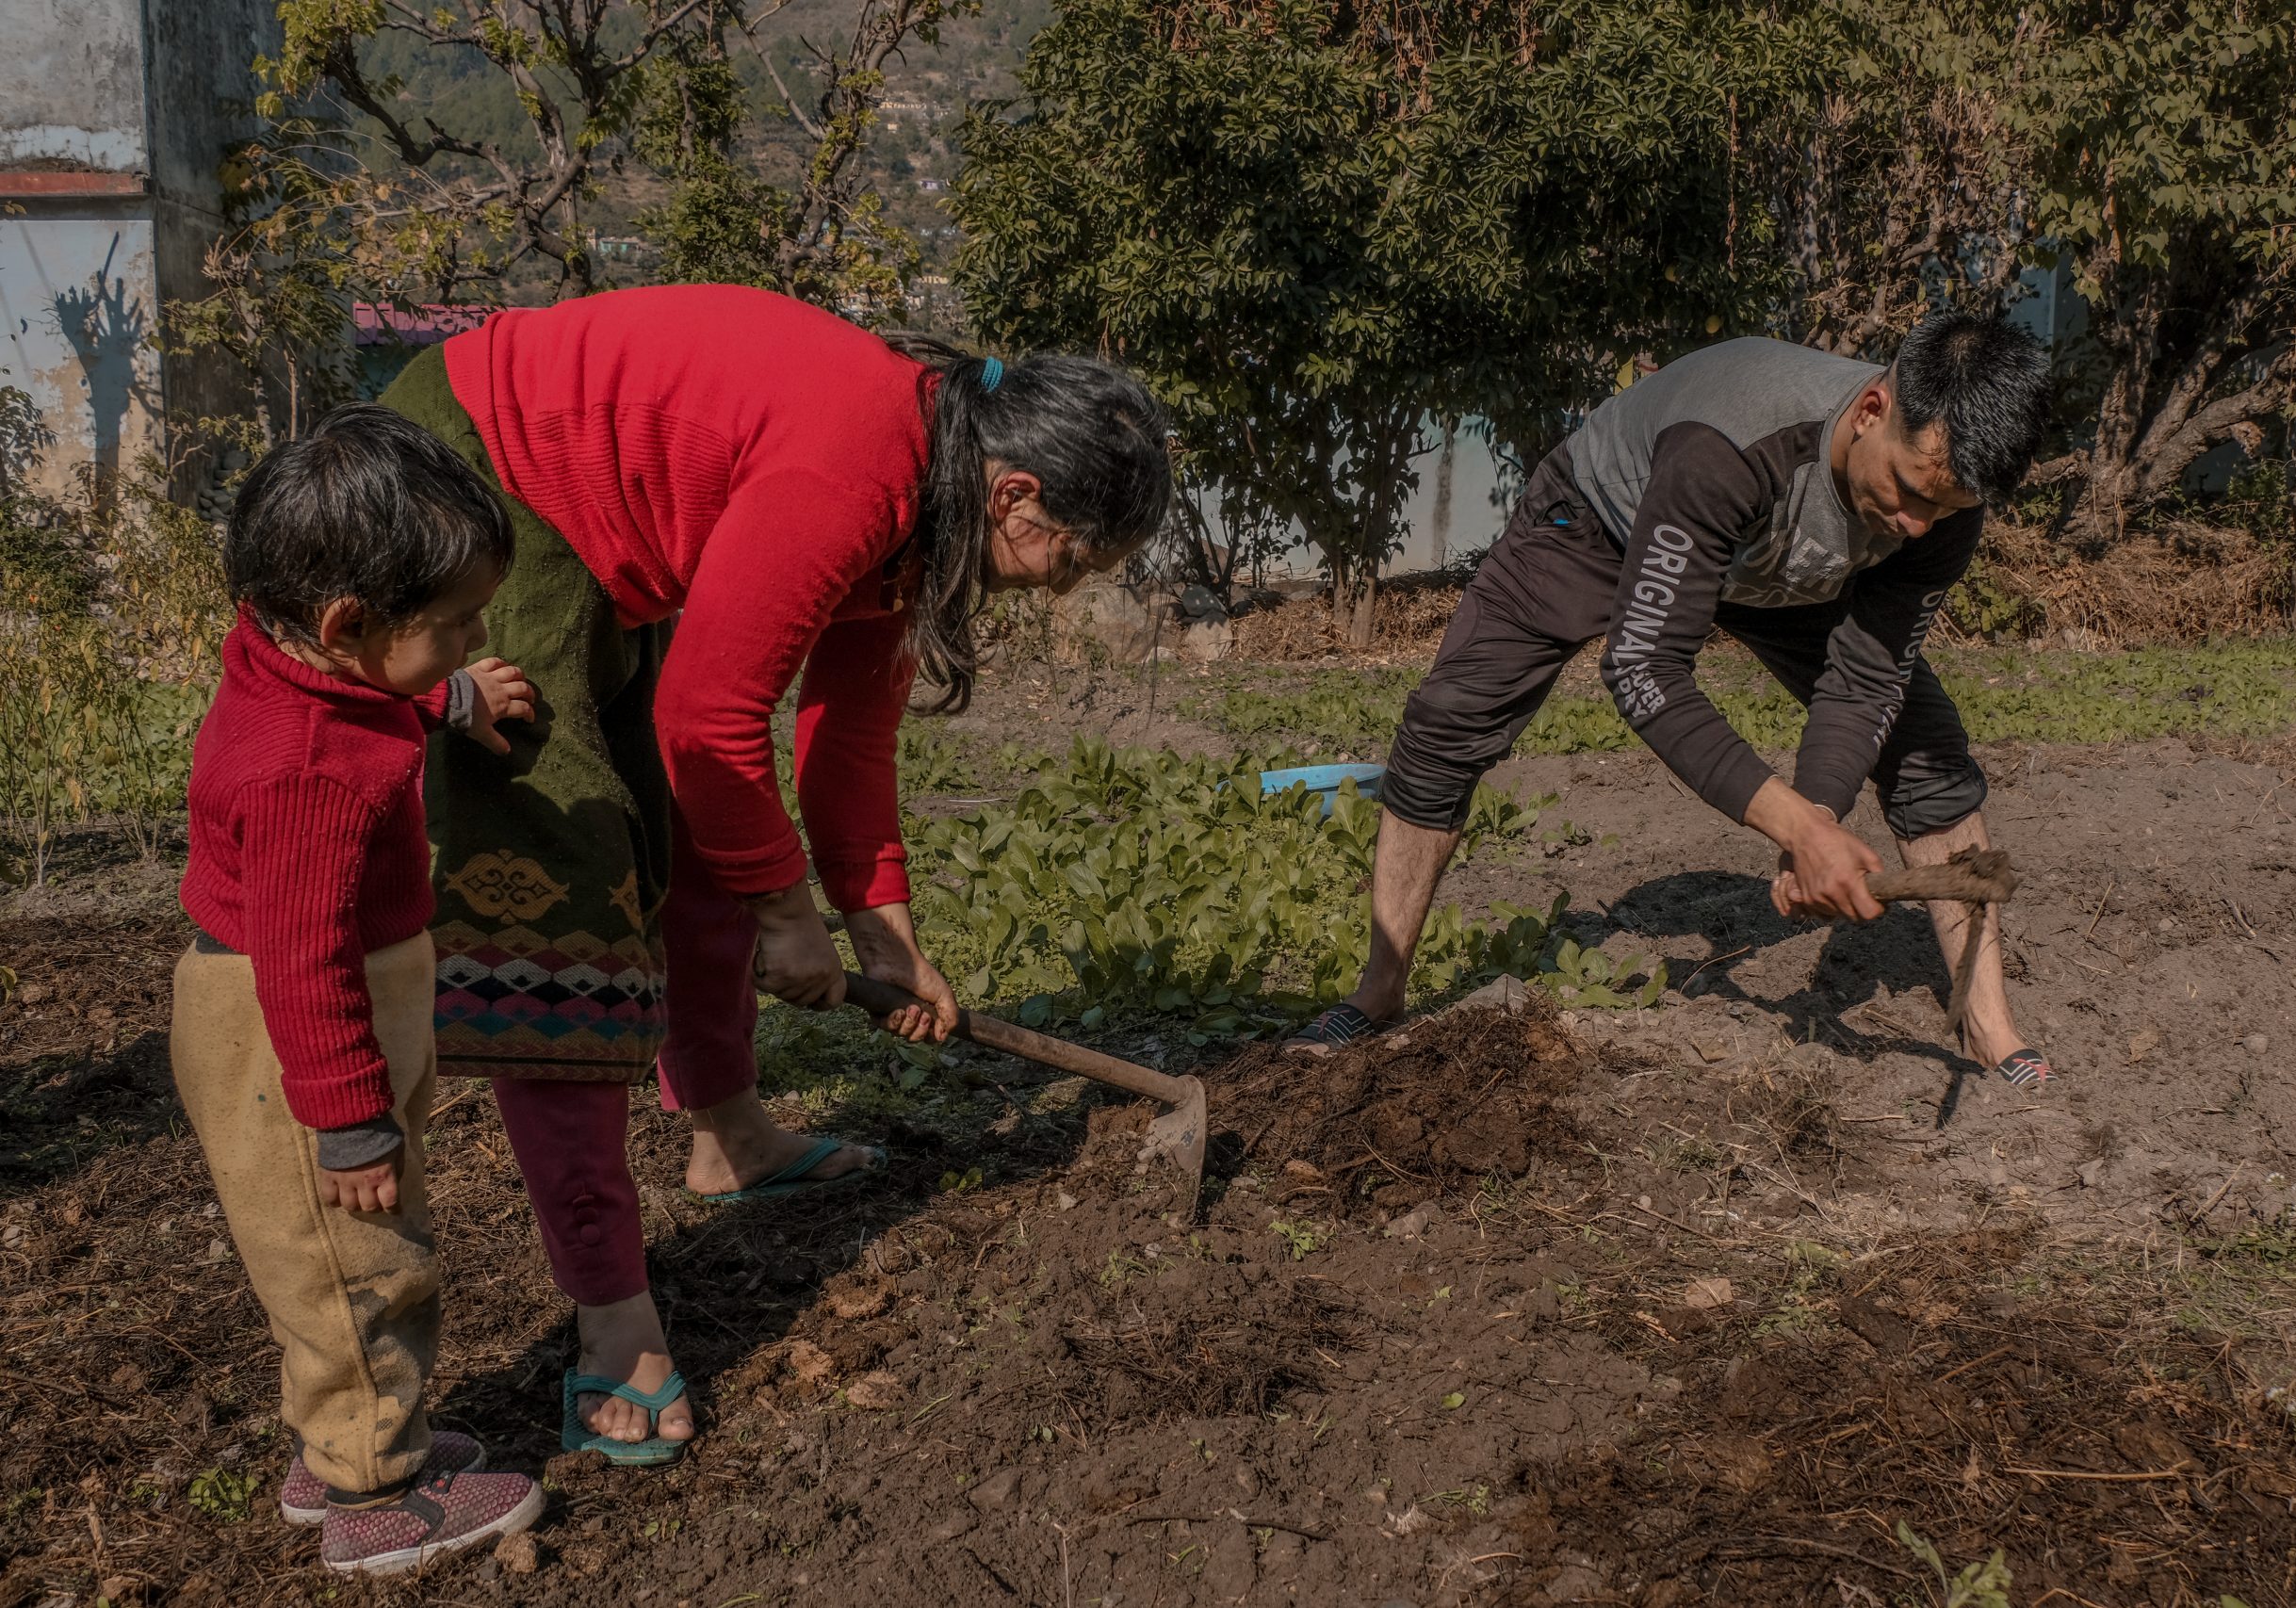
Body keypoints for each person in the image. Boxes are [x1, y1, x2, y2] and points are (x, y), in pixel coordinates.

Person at [377, 284, 1174, 1465]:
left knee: (699, 839)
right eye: (1070, 558)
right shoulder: (858, 472)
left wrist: (882, 936)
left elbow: (845, 735)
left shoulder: (927, 503)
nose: (1061, 586)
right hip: (482, 472)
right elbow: (712, 717)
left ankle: (728, 1133)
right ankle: (613, 1321)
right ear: (1014, 496)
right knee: (562, 893)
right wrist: (790, 917)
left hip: (603, 523)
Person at [1288, 308, 2057, 1086]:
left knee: (1925, 753)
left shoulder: (1944, 505)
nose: (1916, 525)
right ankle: (1379, 991)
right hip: (1603, 521)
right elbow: (1645, 667)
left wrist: (1814, 824)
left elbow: (1866, 678)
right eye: (1908, 491)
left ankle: (1991, 1028)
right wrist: (1793, 823)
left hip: (1772, 568)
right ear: (1871, 412)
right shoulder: (1724, 447)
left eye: (1944, 510)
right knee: (1448, 720)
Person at [171, 406, 545, 1574]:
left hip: (334, 1006)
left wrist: (446, 695)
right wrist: (346, 1119)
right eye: (457, 623)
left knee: (338, 1254)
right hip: (294, 1035)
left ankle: (345, 1438)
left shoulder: (298, 664)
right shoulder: (301, 776)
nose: (478, 634)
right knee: (353, 1262)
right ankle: (370, 1491)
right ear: (347, 623)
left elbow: (360, 694)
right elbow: (299, 957)